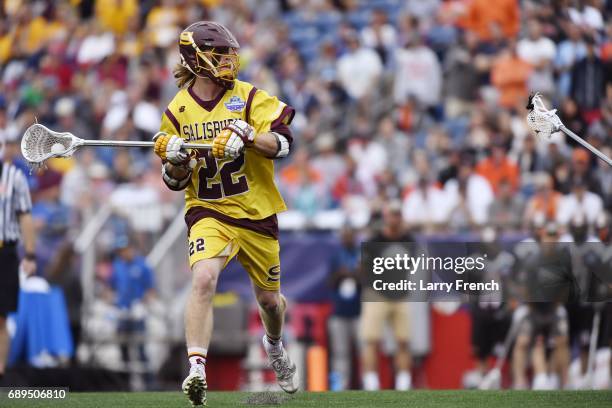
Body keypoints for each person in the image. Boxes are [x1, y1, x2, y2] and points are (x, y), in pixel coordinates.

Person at [152, 21, 297, 406]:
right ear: (196, 60)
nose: (228, 62)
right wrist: (177, 161)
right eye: (218, 56)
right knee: (203, 278)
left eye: (229, 55)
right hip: (208, 210)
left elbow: (283, 144)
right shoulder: (177, 110)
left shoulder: (249, 98)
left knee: (270, 302)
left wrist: (249, 136)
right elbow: (175, 181)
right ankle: (196, 368)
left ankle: (275, 343)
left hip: (256, 211)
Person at [0, 136, 37, 381]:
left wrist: (30, 254)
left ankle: (0, 371)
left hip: (4, 250)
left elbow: (25, 216)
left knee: (1, 316)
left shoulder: (14, 177)